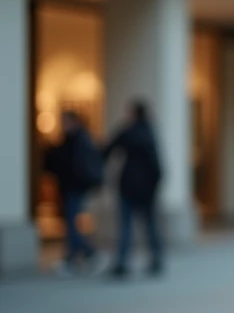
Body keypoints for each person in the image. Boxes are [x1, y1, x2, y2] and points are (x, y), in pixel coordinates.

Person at [103, 100, 164, 278]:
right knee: (150, 225)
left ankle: (122, 262)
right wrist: (155, 184)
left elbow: (108, 149)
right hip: (146, 189)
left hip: (128, 186)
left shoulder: (128, 132)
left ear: (134, 114)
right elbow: (156, 163)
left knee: (126, 226)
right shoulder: (149, 132)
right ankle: (156, 258)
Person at [43, 110, 103, 274]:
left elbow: (75, 166)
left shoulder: (79, 140)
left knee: (71, 224)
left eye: (66, 122)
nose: (63, 125)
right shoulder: (72, 139)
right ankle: (85, 254)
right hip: (70, 187)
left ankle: (79, 255)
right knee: (71, 224)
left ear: (74, 122)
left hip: (74, 187)